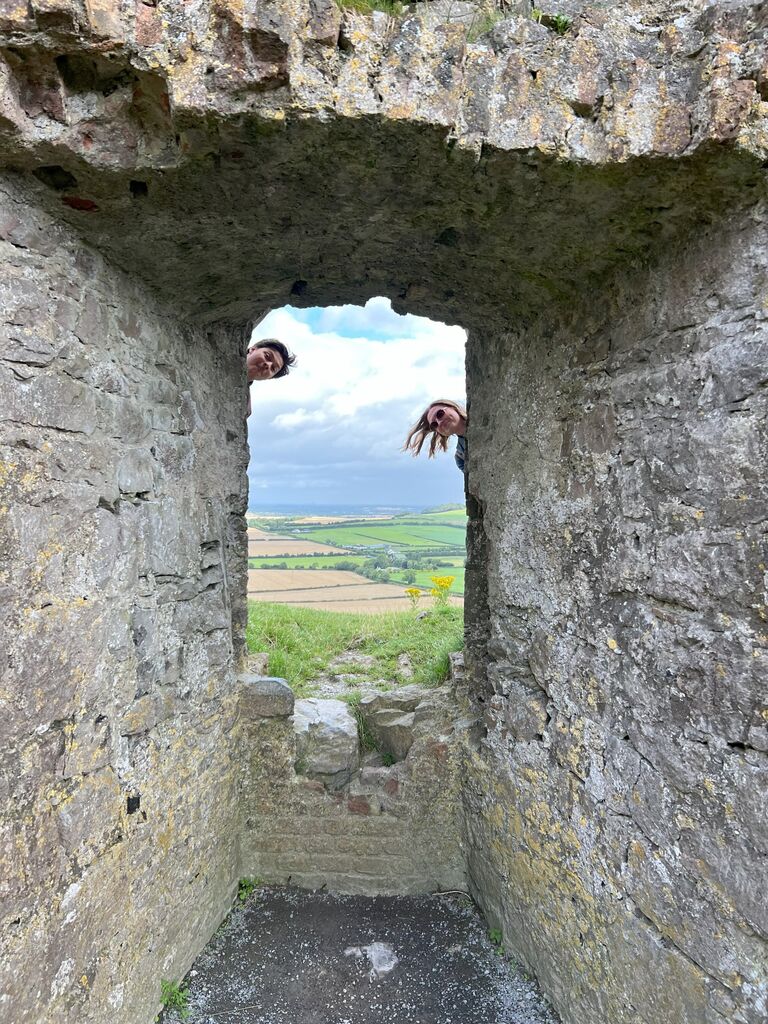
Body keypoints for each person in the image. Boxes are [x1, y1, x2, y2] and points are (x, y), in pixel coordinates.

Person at [402, 399, 467, 472]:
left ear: (453, 408)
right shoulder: (460, 457)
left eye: (440, 414)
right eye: (434, 425)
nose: (439, 422)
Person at [246, 338, 296, 414]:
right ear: (252, 349)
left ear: (270, 377)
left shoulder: (245, 407)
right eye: (267, 356)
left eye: (273, 368)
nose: (268, 365)